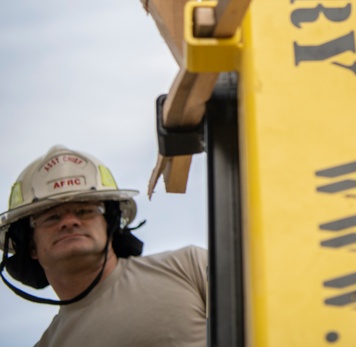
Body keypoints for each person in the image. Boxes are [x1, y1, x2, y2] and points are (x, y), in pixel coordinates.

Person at [0, 145, 208, 346]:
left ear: (109, 223)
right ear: (31, 246)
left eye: (84, 211)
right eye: (52, 217)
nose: (69, 222)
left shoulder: (189, 267)